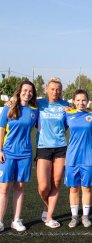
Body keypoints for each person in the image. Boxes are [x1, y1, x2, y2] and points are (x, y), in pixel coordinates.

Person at [0, 80, 38, 232]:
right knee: (4, 188)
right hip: (8, 153)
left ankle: (16, 220)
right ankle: (0, 221)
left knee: (20, 187)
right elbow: (1, 129)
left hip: (25, 154)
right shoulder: (8, 108)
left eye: (30, 91)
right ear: (19, 90)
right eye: (25, 90)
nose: (27, 93)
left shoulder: (35, 110)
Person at [36, 77, 69, 228]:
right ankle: (47, 206)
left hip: (61, 147)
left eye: (58, 89)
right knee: (43, 186)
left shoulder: (65, 106)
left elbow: (68, 124)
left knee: (55, 183)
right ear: (47, 90)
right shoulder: (39, 104)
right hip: (43, 147)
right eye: (52, 89)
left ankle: (49, 217)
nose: (55, 92)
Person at [64, 90, 92, 228]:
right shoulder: (67, 114)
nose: (81, 103)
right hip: (72, 157)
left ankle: (85, 216)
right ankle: (74, 217)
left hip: (88, 157)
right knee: (73, 188)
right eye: (78, 100)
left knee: (87, 189)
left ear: (88, 101)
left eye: (83, 100)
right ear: (73, 101)